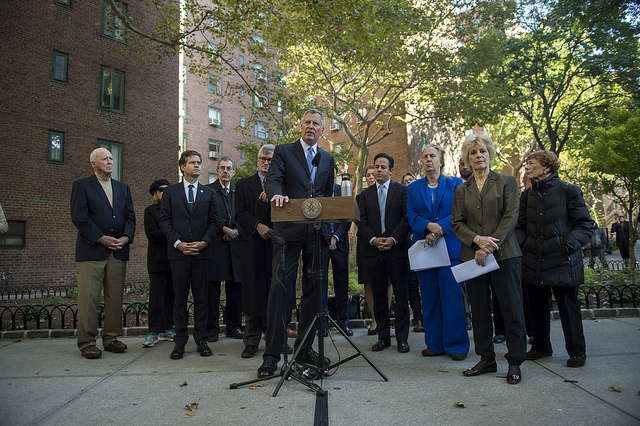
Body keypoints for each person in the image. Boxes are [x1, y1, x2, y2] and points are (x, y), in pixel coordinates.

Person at [258, 109, 336, 378]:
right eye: (306, 122)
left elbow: (327, 194)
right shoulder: (284, 151)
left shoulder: (327, 158)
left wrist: (331, 228)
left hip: (316, 234)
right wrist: (276, 195)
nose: (310, 127)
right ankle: (271, 355)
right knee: (280, 289)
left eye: (316, 124)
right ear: (300, 126)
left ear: (322, 130)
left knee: (315, 293)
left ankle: (304, 348)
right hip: (288, 230)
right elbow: (273, 180)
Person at [452, 132, 526, 385]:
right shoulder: (462, 190)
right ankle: (486, 358)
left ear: (490, 154)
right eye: (473, 153)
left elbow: (511, 216)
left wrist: (490, 244)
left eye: (482, 151)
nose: (478, 156)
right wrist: (476, 241)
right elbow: (456, 223)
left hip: (504, 255)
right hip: (474, 258)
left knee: (511, 308)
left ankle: (515, 360)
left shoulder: (507, 182)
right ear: (467, 159)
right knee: (479, 310)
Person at [517, 150, 593, 368]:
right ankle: (541, 346)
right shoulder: (527, 195)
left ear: (547, 167)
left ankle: (577, 351)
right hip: (534, 260)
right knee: (537, 306)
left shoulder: (569, 191)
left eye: (532, 163)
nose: (527, 167)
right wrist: (523, 245)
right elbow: (520, 227)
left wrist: (566, 245)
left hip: (563, 260)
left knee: (568, 308)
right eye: (527, 164)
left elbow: (585, 225)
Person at [70, 148, 135, 359]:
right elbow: (80, 218)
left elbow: (130, 217)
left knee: (115, 297)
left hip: (117, 251)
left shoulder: (123, 188)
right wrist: (100, 238)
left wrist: (126, 238)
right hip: (92, 250)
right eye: (104, 159)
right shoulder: (82, 186)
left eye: (111, 158)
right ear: (93, 163)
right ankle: (87, 342)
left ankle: (111, 338)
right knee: (89, 298)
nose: (109, 161)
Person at [407, 145, 469, 361]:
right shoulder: (414, 188)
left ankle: (457, 346)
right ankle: (434, 343)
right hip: (425, 249)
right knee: (430, 297)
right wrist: (427, 228)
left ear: (441, 160)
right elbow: (411, 215)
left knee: (451, 297)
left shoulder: (455, 184)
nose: (428, 160)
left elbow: (459, 212)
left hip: (450, 249)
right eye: (424, 157)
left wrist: (440, 228)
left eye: (432, 156)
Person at [160, 150, 220, 360]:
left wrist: (204, 242)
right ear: (182, 166)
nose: (197, 166)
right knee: (179, 300)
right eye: (192, 163)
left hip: (202, 255)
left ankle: (202, 341)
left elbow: (215, 221)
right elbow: (164, 220)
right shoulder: (170, 192)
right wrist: (178, 244)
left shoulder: (209, 193)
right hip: (179, 255)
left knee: (202, 299)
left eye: (199, 163)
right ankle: (180, 343)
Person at [358, 153, 411, 353]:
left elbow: (406, 218)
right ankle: (383, 337)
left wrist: (393, 239)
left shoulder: (402, 191)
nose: (379, 170)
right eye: (376, 167)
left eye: (383, 167)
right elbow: (361, 221)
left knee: (401, 294)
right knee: (379, 296)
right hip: (374, 251)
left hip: (396, 250)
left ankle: (402, 339)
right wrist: (373, 240)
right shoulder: (364, 195)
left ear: (391, 170)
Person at [235, 144, 275, 358]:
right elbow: (239, 213)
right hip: (252, 245)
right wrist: (257, 225)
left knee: (274, 292)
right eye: (263, 158)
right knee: (252, 292)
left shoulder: (282, 184)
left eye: (270, 159)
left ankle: (274, 340)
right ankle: (251, 342)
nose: (266, 162)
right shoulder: (244, 184)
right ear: (257, 160)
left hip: (276, 245)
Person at [207, 157, 243, 342]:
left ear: (234, 172)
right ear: (217, 170)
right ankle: (212, 330)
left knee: (235, 290)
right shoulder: (209, 191)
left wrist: (237, 230)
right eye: (222, 168)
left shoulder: (239, 191)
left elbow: (245, 214)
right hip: (216, 244)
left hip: (235, 247)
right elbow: (207, 215)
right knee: (212, 289)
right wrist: (224, 228)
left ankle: (234, 327)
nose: (225, 171)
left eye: (229, 168)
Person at [143, 179, 175, 347]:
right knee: (156, 296)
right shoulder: (150, 211)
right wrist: (171, 234)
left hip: (174, 259)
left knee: (171, 295)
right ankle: (153, 331)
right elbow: (152, 234)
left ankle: (168, 328)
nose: (165, 192)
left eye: (168, 190)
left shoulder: (175, 211)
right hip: (157, 260)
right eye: (162, 190)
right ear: (156, 192)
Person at [322, 167, 353, 336]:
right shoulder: (317, 192)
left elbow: (347, 218)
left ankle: (343, 323)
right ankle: (323, 324)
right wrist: (327, 238)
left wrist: (336, 236)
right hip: (322, 243)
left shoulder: (343, 190)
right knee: (322, 284)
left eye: (332, 174)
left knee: (342, 283)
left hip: (340, 243)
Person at [402, 172, 424, 332]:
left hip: (427, 245)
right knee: (411, 285)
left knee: (426, 284)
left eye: (411, 180)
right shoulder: (404, 199)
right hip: (408, 249)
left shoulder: (422, 197)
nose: (408, 183)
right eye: (405, 181)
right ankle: (417, 319)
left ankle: (427, 317)